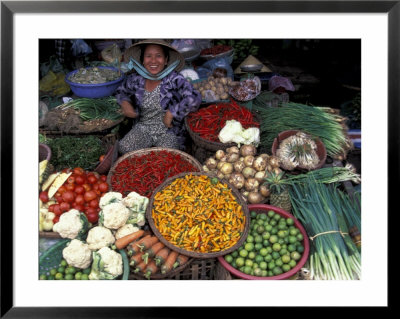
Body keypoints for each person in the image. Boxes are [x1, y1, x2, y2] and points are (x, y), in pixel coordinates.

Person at [115, 39, 202, 154]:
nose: (153, 61)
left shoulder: (174, 79)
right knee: (124, 148)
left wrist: (172, 112)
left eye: (158, 56)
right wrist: (125, 103)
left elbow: (195, 97)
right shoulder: (136, 79)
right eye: (148, 56)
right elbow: (121, 91)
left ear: (166, 60)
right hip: (143, 128)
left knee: (165, 157)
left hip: (168, 131)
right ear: (142, 60)